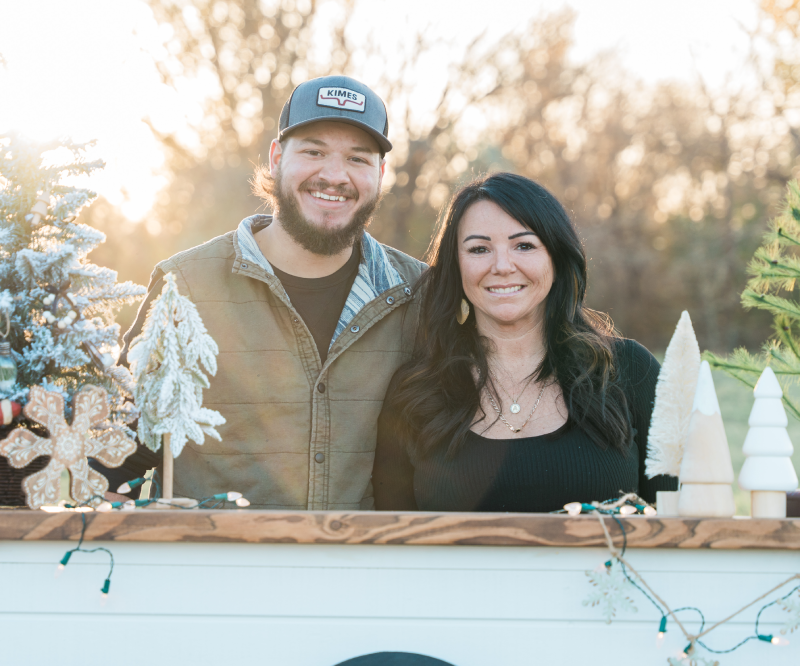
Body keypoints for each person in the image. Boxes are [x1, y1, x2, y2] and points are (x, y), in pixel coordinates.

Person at [102, 76, 425, 509]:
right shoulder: (186, 285)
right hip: (212, 568)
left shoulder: (418, 294)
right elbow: (117, 456)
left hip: (360, 570)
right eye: (313, 151)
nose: (334, 175)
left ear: (380, 174)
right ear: (276, 158)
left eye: (357, 158)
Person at [372, 172, 677, 512]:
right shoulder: (415, 392)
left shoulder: (630, 371)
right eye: (479, 249)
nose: (502, 266)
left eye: (524, 245)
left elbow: (683, 526)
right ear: (455, 266)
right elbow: (393, 550)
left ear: (557, 258)